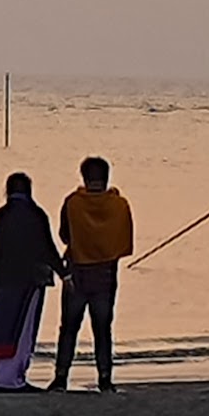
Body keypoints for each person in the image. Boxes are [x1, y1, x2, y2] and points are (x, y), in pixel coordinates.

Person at [48, 156, 134, 393]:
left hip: (77, 274)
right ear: (106, 177)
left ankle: (61, 377)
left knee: (68, 329)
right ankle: (104, 378)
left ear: (84, 177)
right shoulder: (119, 205)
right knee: (103, 329)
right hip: (106, 274)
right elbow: (123, 239)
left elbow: (65, 235)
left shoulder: (73, 203)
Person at [0, 172, 67, 393]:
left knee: (3, 327)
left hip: (2, 280)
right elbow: (46, 248)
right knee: (24, 329)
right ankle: (13, 378)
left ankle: (1, 376)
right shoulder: (36, 214)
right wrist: (63, 273)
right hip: (31, 280)